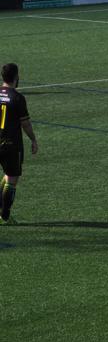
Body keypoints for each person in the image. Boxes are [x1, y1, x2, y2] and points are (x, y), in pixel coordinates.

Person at [1, 63, 39, 225]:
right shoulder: (17, 98)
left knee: (7, 175)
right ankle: (4, 217)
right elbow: (26, 124)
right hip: (11, 145)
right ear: (16, 77)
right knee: (12, 179)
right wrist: (33, 139)